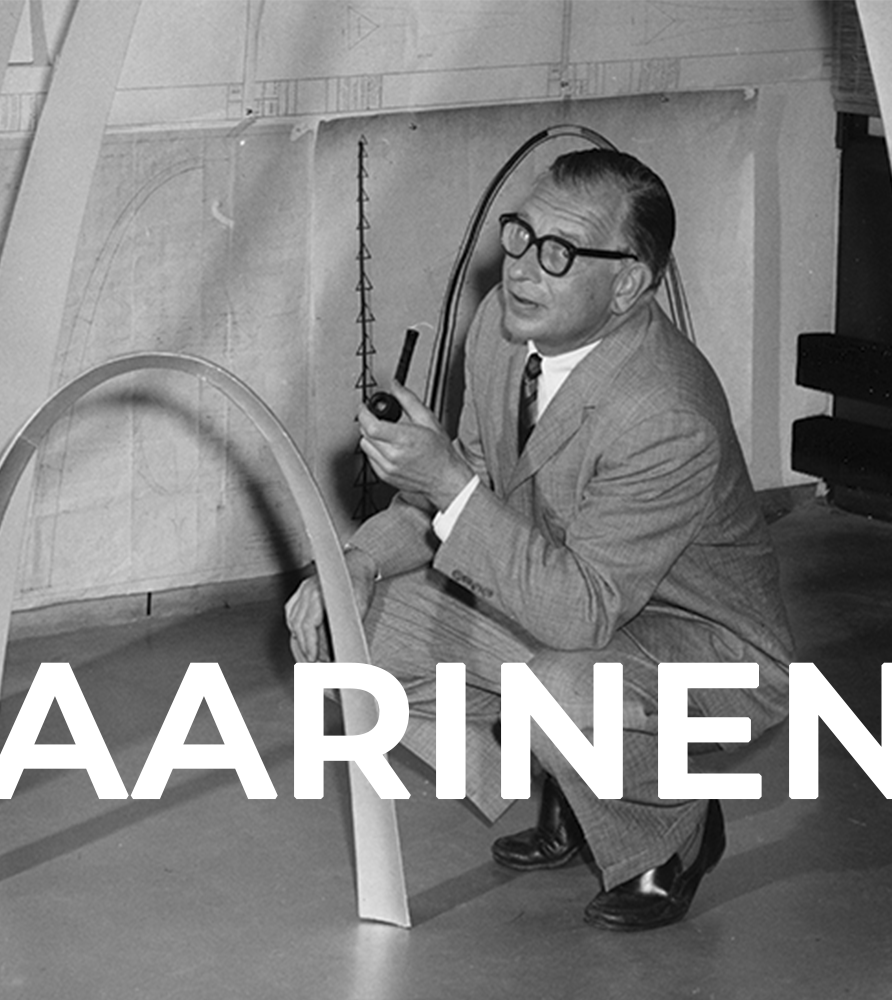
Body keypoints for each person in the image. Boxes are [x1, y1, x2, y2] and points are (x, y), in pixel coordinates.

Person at [285, 148, 792, 931]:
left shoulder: (665, 415)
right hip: (573, 594)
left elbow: (577, 610)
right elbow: (476, 488)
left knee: (557, 690)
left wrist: (446, 478)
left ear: (628, 284)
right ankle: (582, 790)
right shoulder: (503, 327)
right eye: (520, 234)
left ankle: (673, 832)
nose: (521, 267)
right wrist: (357, 562)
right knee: (349, 635)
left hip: (699, 642)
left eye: (559, 253)